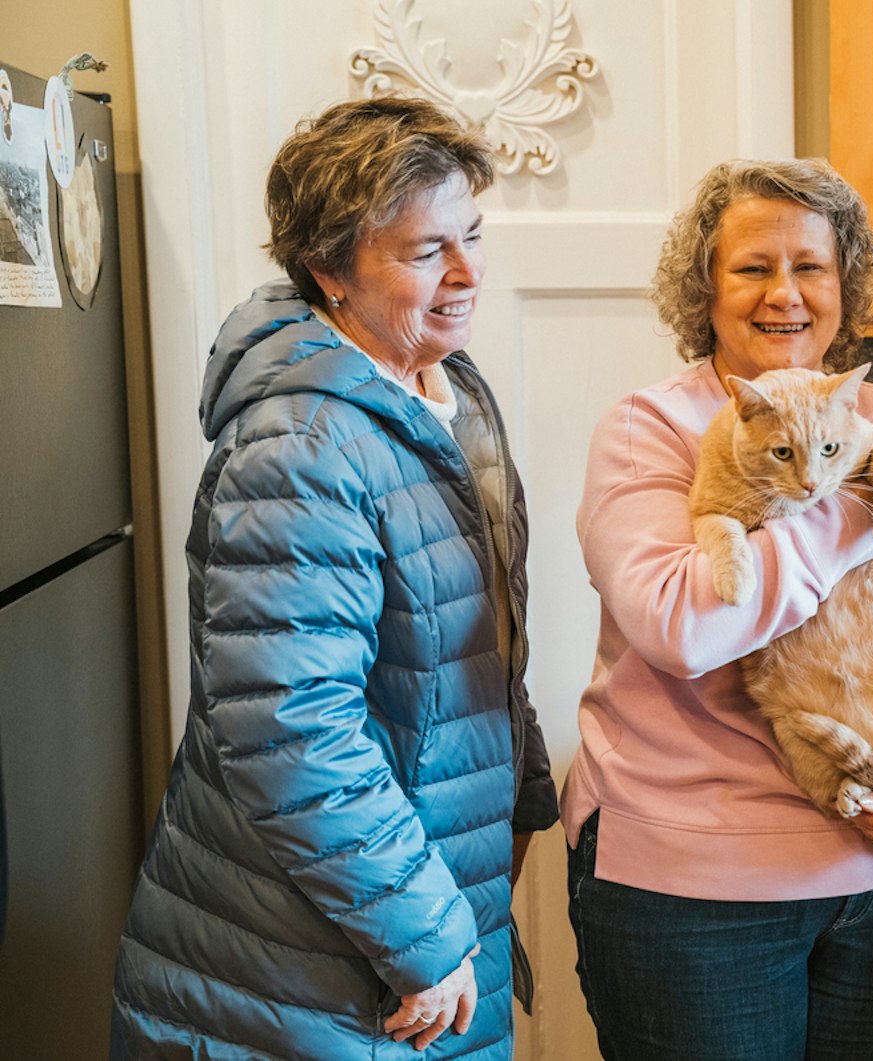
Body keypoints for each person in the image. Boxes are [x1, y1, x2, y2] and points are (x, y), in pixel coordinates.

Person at [110, 97, 558, 1059]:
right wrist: (426, 931)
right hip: (306, 960)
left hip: (403, 897)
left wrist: (521, 800)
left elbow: (480, 641)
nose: (469, 275)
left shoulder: (445, 388)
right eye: (425, 250)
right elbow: (289, 727)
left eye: (472, 235)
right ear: (330, 271)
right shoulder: (304, 444)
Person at [563, 158, 873, 1060]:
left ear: (845, 285)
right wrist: (844, 495)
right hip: (691, 891)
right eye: (753, 268)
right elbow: (684, 627)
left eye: (811, 266)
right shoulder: (648, 427)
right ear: (706, 288)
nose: (786, 294)